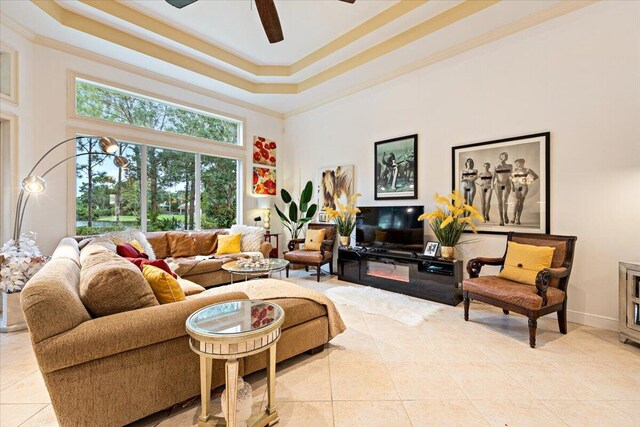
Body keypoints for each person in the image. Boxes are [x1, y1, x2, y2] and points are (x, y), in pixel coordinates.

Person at [511, 158, 539, 225]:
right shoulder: (514, 170)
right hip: (516, 187)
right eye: (516, 163)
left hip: (524, 187)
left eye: (518, 163)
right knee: (516, 202)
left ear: (523, 163)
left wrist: (529, 181)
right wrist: (512, 186)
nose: (517, 164)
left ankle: (518, 219)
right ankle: (513, 217)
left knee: (521, 202)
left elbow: (536, 176)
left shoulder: (527, 170)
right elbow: (511, 178)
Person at [492, 152, 513, 226]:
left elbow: (511, 176)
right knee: (500, 202)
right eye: (503, 155)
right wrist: (492, 184)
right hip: (498, 184)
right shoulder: (496, 166)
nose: (505, 156)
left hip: (507, 183)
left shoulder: (510, 166)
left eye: (506, 155)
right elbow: (493, 176)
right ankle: (501, 219)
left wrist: (513, 185)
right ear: (500, 157)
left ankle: (505, 214)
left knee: (505, 200)